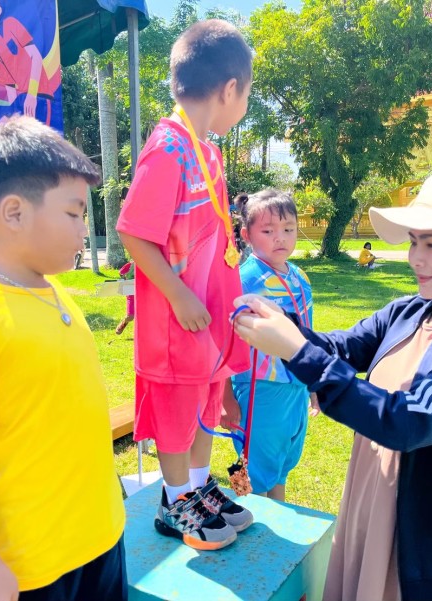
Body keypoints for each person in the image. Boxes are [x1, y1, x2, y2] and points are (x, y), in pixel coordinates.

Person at [233, 167, 432, 601]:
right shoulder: (410, 311)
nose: (416, 258)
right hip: (370, 507)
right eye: (414, 242)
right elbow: (342, 347)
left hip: (430, 542)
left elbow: (409, 420)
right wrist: (286, 325)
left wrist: (297, 351)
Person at [0, 116, 126, 601]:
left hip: (102, 537)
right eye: (74, 214)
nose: (84, 230)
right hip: (33, 566)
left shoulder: (54, 293)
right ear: (13, 212)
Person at [116, 19, 254, 551]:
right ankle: (174, 501)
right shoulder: (167, 148)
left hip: (209, 318)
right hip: (178, 321)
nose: (244, 104)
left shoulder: (207, 152)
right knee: (177, 410)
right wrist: (178, 294)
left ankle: (197, 488)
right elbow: (133, 232)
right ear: (229, 89)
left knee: (204, 402)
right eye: (247, 94)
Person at [222, 190, 318, 502]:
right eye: (268, 231)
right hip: (258, 387)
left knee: (281, 464)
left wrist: (313, 384)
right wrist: (225, 398)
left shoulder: (300, 277)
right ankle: (243, 511)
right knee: (250, 466)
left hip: (295, 387)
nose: (280, 238)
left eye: (288, 229)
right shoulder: (244, 280)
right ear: (247, 235)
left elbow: (308, 335)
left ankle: (277, 520)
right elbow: (222, 341)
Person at [114, 260, 135, 335]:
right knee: (130, 316)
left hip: (143, 290)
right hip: (130, 291)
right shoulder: (131, 265)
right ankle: (123, 324)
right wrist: (125, 279)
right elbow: (121, 273)